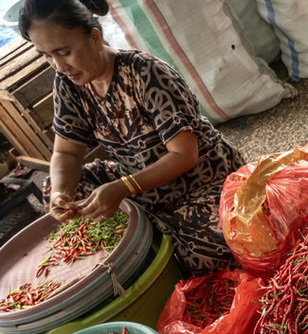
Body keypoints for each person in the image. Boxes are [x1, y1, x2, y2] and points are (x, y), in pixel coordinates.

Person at [19, 0, 245, 275]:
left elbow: (184, 154)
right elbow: (67, 153)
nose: (58, 65)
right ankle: (147, 236)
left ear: (94, 37)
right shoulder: (69, 84)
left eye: (64, 52)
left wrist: (123, 188)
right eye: (46, 55)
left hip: (200, 181)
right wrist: (60, 193)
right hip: (138, 181)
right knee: (58, 185)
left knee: (210, 247)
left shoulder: (147, 73)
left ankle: (154, 238)